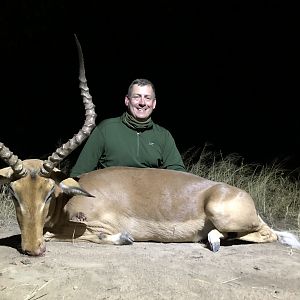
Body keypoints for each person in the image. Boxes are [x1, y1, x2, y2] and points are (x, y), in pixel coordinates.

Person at [70, 78, 186, 177]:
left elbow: (179, 175)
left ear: (154, 103)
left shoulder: (163, 135)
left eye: (147, 98)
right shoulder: (106, 129)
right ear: (127, 100)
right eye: (136, 97)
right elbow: (80, 172)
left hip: (151, 198)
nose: (142, 103)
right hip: (112, 198)